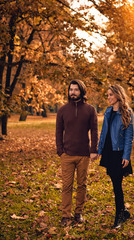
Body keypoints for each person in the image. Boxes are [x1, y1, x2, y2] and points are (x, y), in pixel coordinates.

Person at [56, 79, 98, 226]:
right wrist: (60, 150)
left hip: (84, 155)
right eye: (71, 89)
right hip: (67, 154)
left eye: (76, 89)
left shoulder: (90, 109)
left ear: (81, 91)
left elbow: (94, 131)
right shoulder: (62, 110)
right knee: (67, 186)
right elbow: (58, 132)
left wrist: (93, 150)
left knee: (82, 185)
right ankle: (65, 216)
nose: (72, 92)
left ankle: (78, 213)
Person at [97, 84, 134, 229]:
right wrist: (99, 149)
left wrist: (126, 155)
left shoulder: (127, 112)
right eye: (107, 95)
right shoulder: (108, 111)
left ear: (118, 95)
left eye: (110, 95)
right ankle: (123, 211)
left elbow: (129, 136)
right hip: (108, 152)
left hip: (119, 153)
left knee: (117, 185)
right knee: (115, 183)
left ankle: (120, 214)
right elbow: (104, 132)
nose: (108, 98)